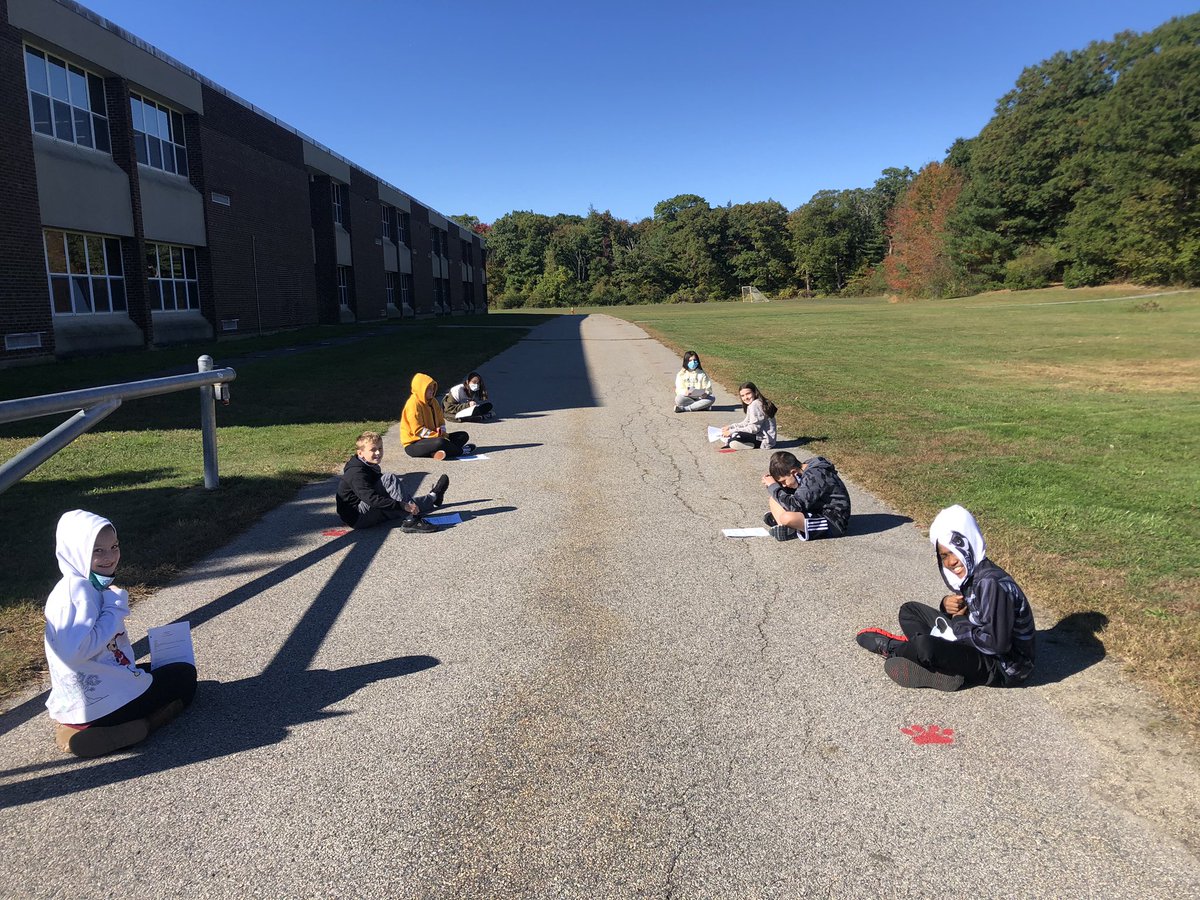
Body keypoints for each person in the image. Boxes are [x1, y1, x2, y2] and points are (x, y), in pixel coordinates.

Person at [44, 510, 198, 758]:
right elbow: (75, 651)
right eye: (97, 550)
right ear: (76, 550)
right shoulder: (79, 592)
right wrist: (115, 607)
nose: (110, 557)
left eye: (114, 546)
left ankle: (76, 729)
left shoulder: (76, 586)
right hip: (104, 707)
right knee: (184, 676)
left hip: (79, 705)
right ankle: (140, 727)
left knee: (155, 669)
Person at [854, 504, 1036, 691]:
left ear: (970, 540)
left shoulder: (991, 583)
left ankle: (896, 648)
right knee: (909, 611)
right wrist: (947, 607)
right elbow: (976, 614)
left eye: (955, 550)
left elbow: (996, 645)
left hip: (1005, 666)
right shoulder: (975, 573)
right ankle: (939, 663)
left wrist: (958, 622)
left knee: (926, 647)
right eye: (944, 556)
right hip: (974, 640)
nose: (951, 561)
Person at [336, 431, 449, 533]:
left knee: (402, 502)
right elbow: (371, 499)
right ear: (360, 453)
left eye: (380, 448)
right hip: (358, 516)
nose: (378, 453)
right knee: (390, 482)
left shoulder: (368, 464)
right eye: (373, 450)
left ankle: (434, 497)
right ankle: (411, 520)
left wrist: (402, 504)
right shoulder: (356, 473)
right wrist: (402, 505)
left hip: (369, 509)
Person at [760, 451, 851, 541]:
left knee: (787, 517)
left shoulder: (815, 475)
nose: (784, 485)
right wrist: (776, 486)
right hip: (815, 509)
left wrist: (773, 487)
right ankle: (787, 527)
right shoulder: (803, 470)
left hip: (833, 521)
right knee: (774, 499)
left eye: (784, 481)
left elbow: (795, 506)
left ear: (794, 472)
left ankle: (792, 529)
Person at [401, 373, 476, 460]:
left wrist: (442, 432)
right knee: (440, 442)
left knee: (463, 436)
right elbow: (418, 430)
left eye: (432, 388)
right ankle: (461, 451)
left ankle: (435, 452)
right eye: (428, 388)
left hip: (433, 437)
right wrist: (437, 436)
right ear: (421, 389)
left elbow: (441, 421)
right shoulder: (413, 404)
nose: (432, 391)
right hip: (414, 443)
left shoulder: (433, 401)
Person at [720, 382, 777, 449]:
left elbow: (754, 429)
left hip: (764, 440)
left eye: (748, 394)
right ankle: (741, 442)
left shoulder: (756, 404)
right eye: (742, 396)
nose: (746, 398)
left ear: (754, 392)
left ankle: (743, 443)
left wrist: (732, 431)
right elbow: (746, 423)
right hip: (759, 436)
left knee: (736, 435)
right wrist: (730, 427)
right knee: (732, 434)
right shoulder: (753, 404)